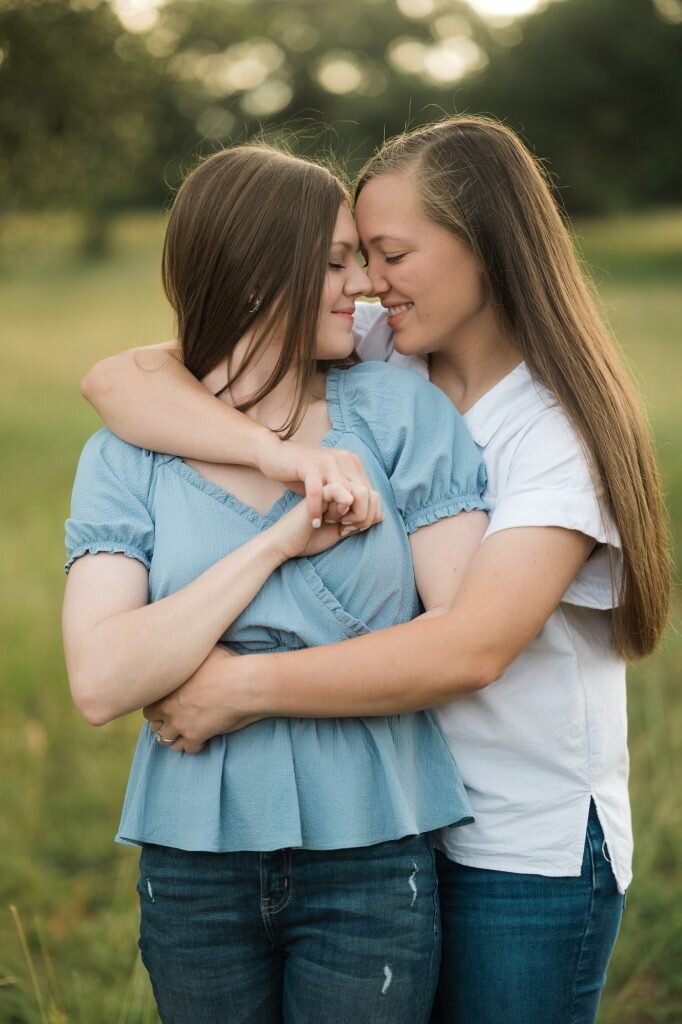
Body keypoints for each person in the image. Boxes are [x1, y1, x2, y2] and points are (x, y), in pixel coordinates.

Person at [82, 116, 671, 1024]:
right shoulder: (385, 349)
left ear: (488, 250)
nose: (368, 284)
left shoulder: (557, 434)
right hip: (400, 816)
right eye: (356, 257)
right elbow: (126, 379)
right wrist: (276, 458)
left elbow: (468, 649)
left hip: (518, 840)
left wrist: (239, 688)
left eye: (391, 254)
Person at [62, 144, 490, 1024]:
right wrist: (278, 546)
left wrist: (226, 678)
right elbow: (102, 680)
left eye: (361, 260)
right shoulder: (124, 453)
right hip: (192, 861)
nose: (361, 284)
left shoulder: (401, 412)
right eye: (335, 262)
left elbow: (455, 629)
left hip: (375, 848)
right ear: (258, 275)